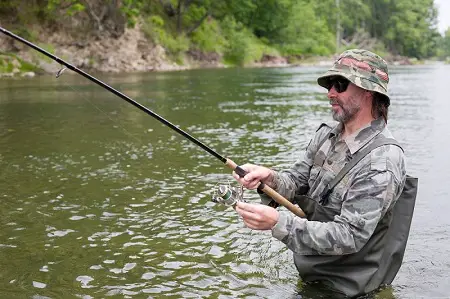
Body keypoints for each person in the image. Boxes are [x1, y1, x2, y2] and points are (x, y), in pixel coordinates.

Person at [232, 49, 413, 297]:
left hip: (351, 290)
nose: (330, 93)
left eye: (340, 85)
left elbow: (349, 236)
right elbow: (296, 182)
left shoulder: (382, 161)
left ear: (369, 92)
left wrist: (277, 223)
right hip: (315, 274)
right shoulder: (326, 134)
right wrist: (269, 178)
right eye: (329, 85)